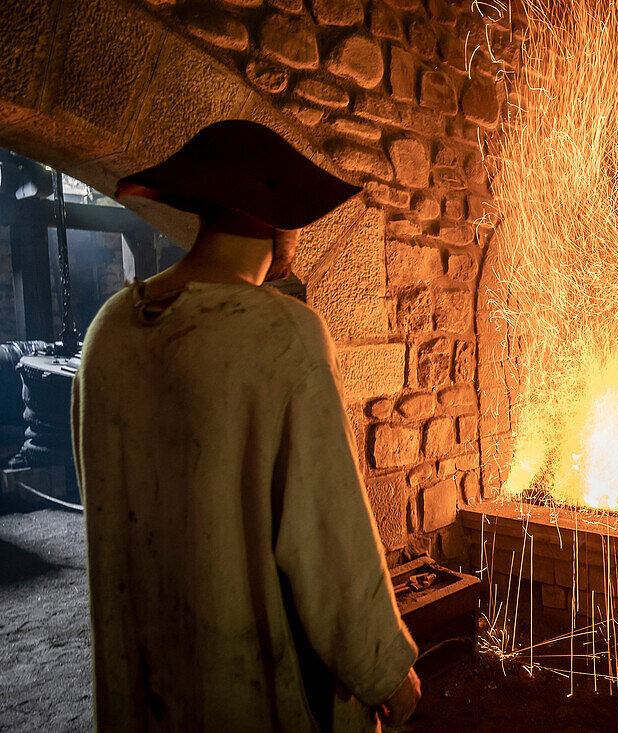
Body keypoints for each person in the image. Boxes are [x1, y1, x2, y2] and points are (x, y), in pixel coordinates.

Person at [72, 120, 420, 731]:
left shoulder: (110, 330)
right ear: (274, 215)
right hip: (251, 697)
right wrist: (385, 670)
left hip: (148, 690)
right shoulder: (279, 334)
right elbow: (327, 540)